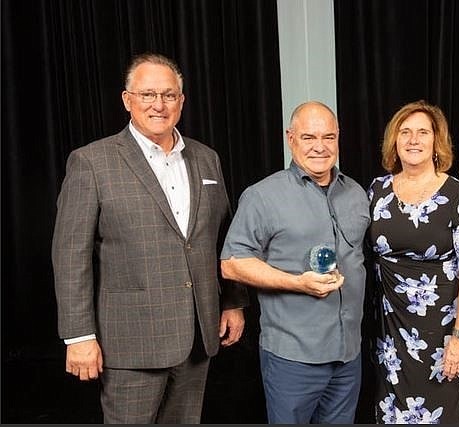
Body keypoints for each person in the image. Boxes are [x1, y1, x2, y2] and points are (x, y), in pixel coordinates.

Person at [52, 53, 248, 424]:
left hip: (197, 335)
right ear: (128, 100)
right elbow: (70, 255)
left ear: (181, 101)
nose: (159, 104)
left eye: (169, 95)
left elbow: (224, 237)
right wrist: (78, 335)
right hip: (130, 341)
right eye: (148, 95)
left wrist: (232, 302)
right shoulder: (92, 162)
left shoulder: (207, 159)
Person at [220, 101, 370, 424]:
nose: (320, 147)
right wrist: (297, 282)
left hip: (348, 356)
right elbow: (231, 262)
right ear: (291, 138)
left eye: (329, 137)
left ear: (339, 138)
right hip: (293, 359)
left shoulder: (356, 193)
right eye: (309, 137)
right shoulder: (262, 196)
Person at [368, 100, 459, 424]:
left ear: (436, 141)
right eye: (405, 132)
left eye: (422, 132)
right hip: (388, 334)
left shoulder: (458, 196)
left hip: (441, 333)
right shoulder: (376, 191)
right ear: (394, 140)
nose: (413, 140)